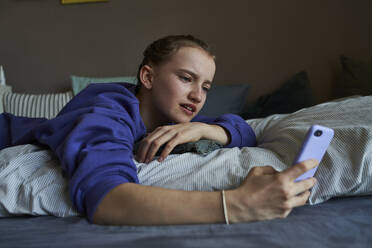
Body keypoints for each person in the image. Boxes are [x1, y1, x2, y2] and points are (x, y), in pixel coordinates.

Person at [0, 35, 317, 226]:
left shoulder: (172, 123)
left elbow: (245, 130)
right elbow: (107, 200)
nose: (198, 95)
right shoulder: (107, 109)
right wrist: (237, 205)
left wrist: (202, 131)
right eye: (186, 78)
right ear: (148, 78)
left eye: (205, 86)